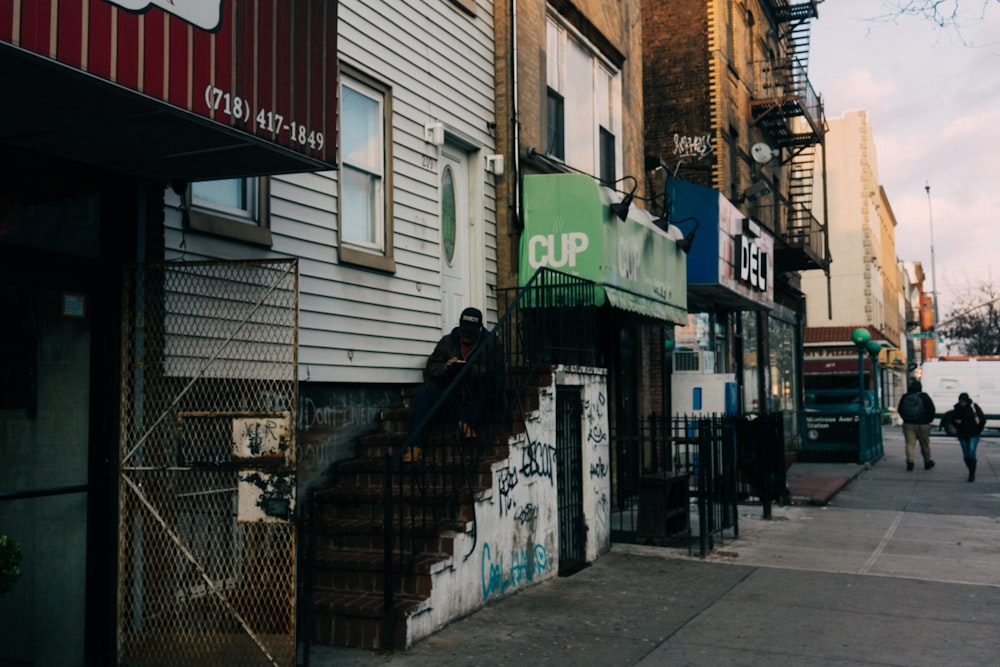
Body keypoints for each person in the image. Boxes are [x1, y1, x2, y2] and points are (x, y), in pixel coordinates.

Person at [402, 307, 502, 462]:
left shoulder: (491, 343)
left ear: (480, 328)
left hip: (476, 396)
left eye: (471, 331)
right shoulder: (448, 341)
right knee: (423, 394)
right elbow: (431, 367)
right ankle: (415, 446)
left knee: (492, 384)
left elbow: (498, 370)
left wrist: (470, 369)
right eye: (464, 330)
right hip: (452, 395)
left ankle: (467, 421)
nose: (466, 334)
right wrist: (445, 367)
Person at [897, 379, 936, 471]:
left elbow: (900, 409)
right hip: (923, 424)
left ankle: (910, 462)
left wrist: (905, 418)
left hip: (908, 424)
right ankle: (927, 462)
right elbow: (931, 409)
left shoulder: (905, 396)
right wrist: (929, 420)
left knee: (910, 444)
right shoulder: (924, 396)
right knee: (925, 444)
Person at [951, 392, 985, 482]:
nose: (962, 403)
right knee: (966, 455)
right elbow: (952, 419)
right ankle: (971, 470)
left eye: (963, 401)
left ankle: (972, 474)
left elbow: (982, 419)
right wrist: (956, 422)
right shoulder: (957, 408)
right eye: (960, 401)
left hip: (973, 433)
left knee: (971, 452)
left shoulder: (974, 407)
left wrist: (978, 429)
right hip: (962, 434)